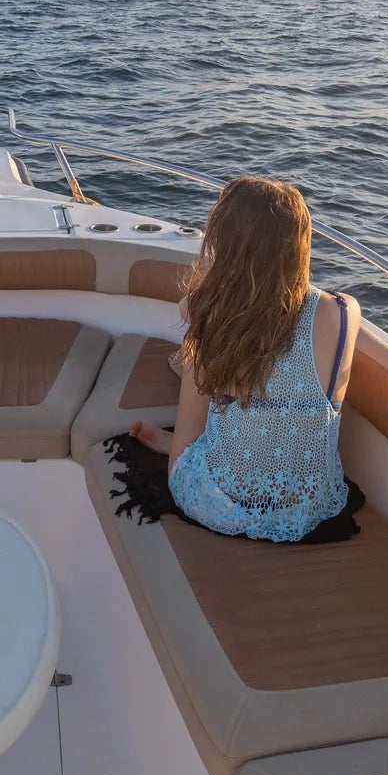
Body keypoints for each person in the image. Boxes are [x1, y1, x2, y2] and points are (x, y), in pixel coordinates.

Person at [130, 177, 358, 542]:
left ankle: (172, 447)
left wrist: (210, 295)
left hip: (220, 505)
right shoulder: (343, 313)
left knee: (192, 359)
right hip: (308, 507)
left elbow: (188, 310)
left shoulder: (211, 316)